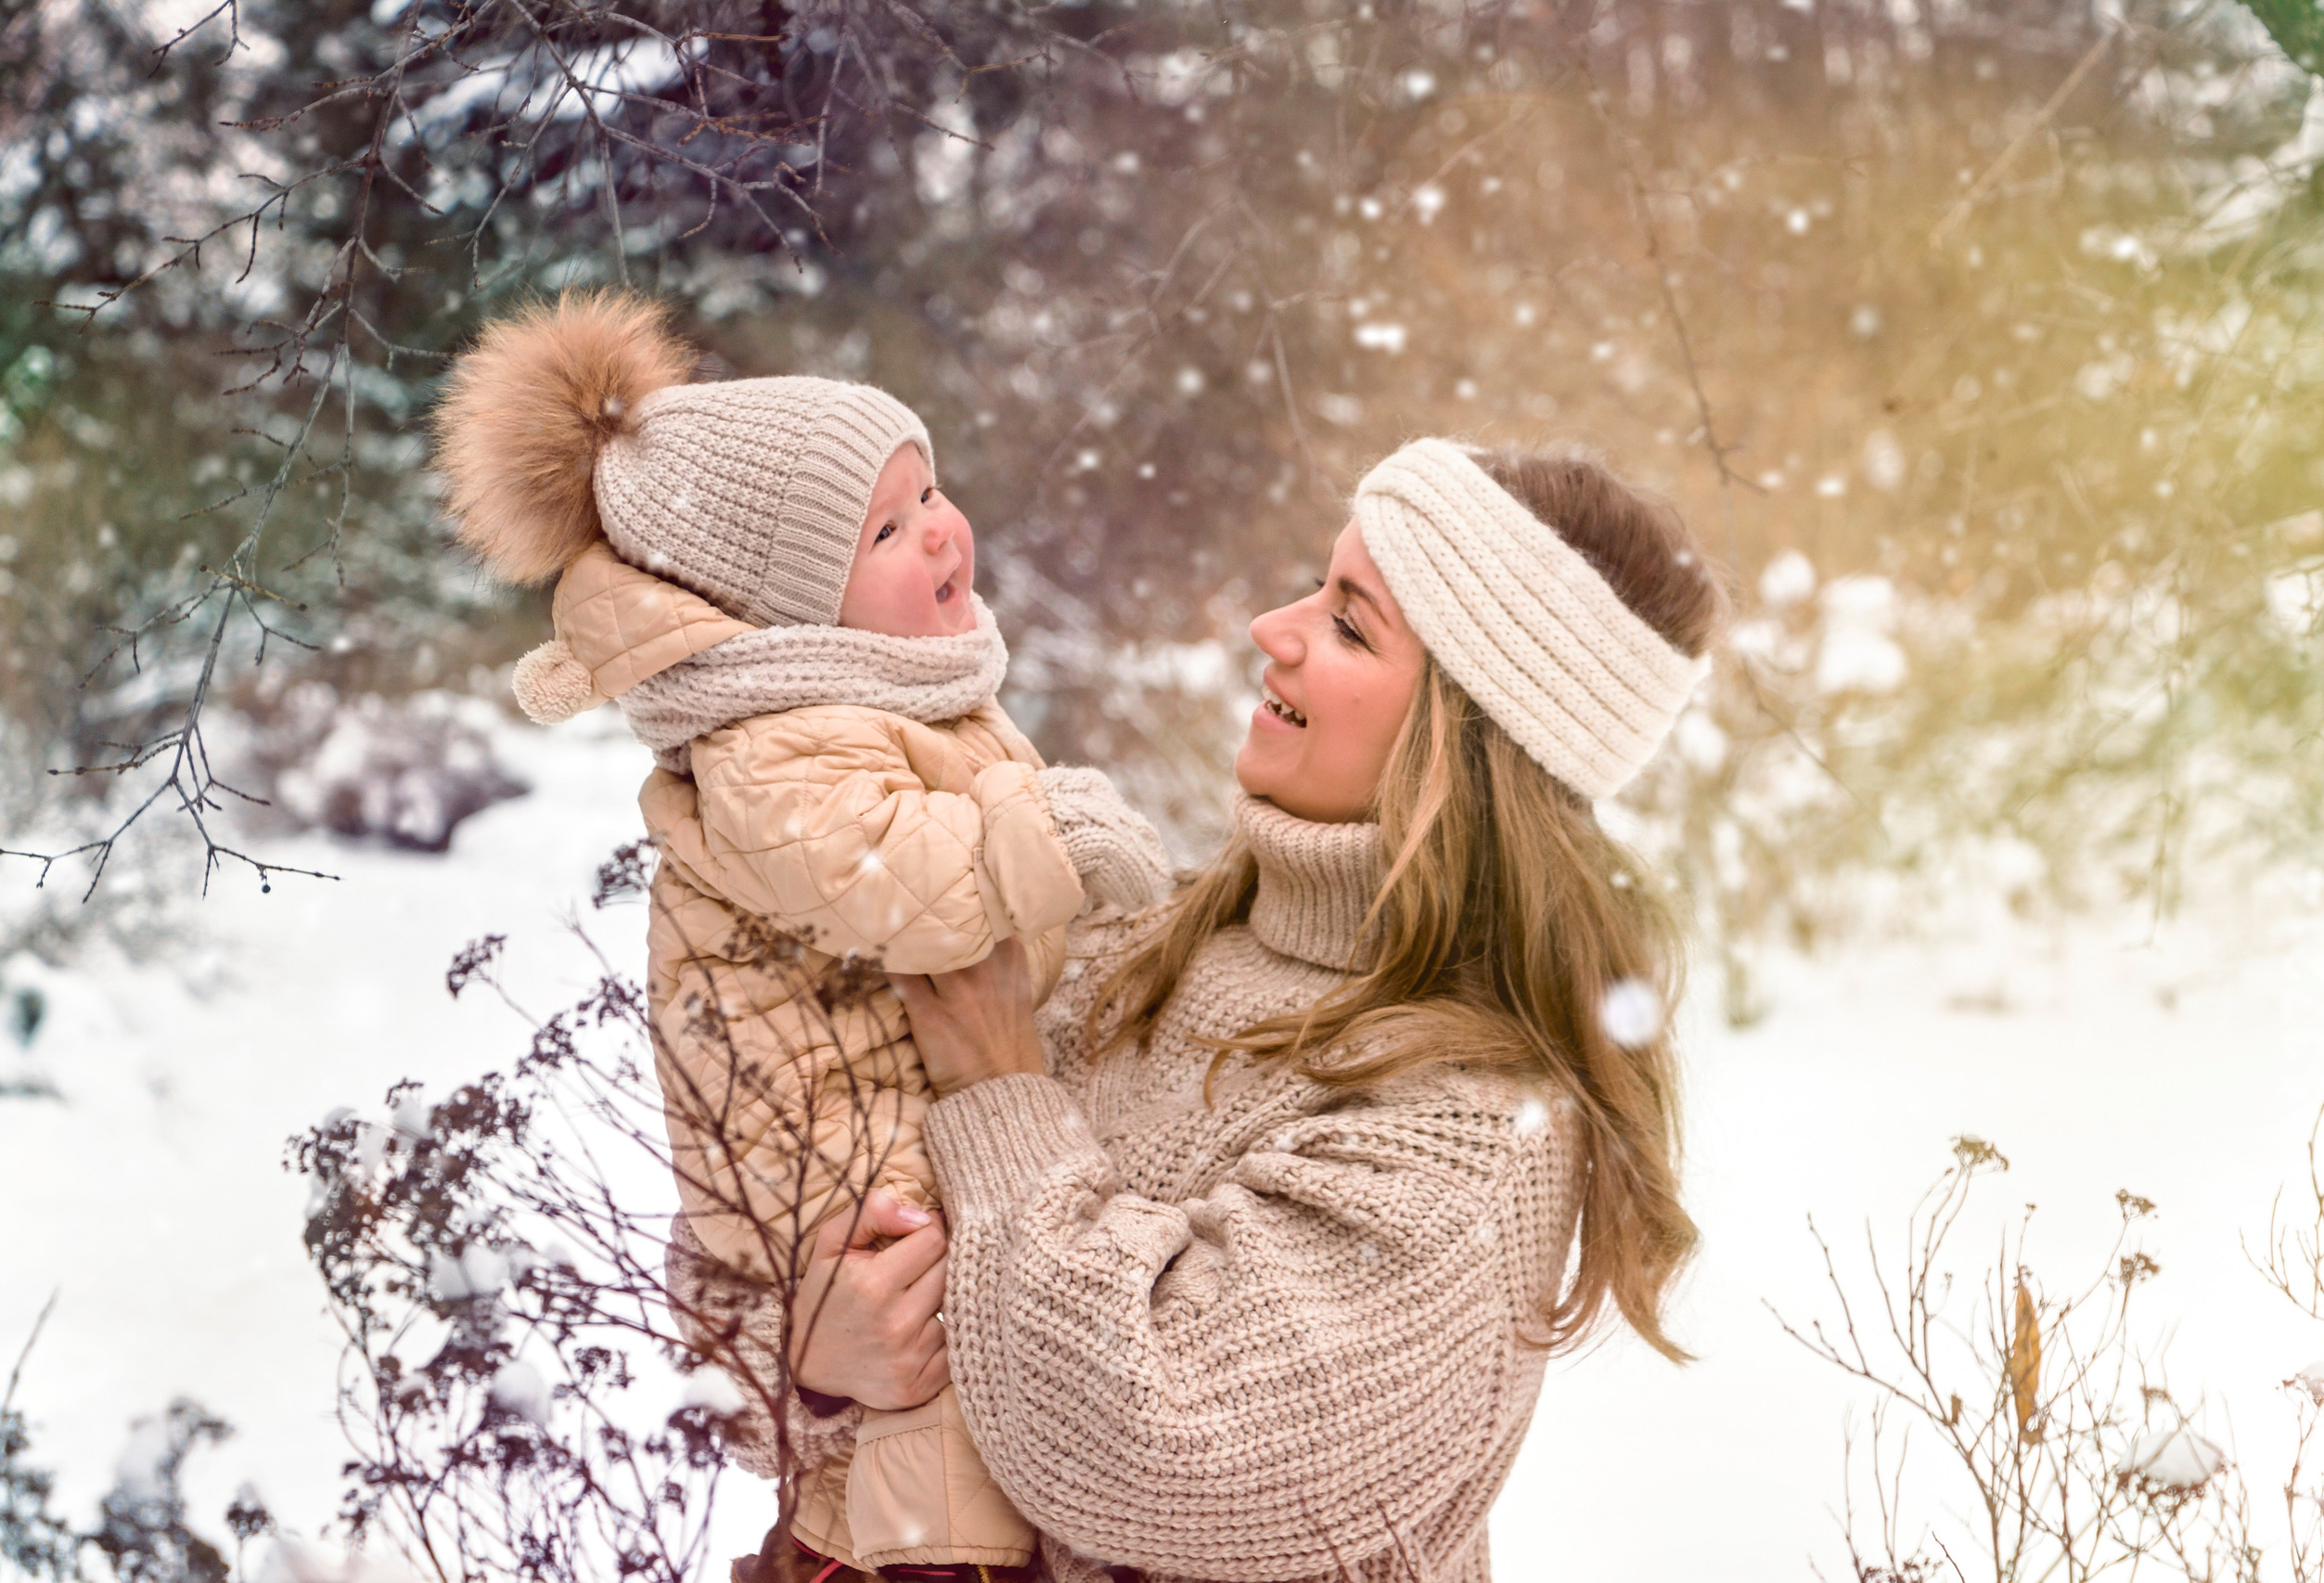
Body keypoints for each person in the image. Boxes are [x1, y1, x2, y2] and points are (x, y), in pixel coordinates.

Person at [688, 436, 1728, 1583]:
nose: (1272, 629)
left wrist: (1000, 1099)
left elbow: (1160, 1441)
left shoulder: (1473, 1131)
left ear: (1460, 742)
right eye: (1317, 587)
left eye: (1347, 623)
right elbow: (777, 1206)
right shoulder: (1127, 952)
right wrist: (808, 1345)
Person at [431, 290, 1170, 1581]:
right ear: (788, 607)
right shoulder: (779, 743)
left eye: (929, 490)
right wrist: (1052, 838)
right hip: (868, 1204)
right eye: (887, 528)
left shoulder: (879, 696)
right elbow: (896, 879)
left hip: (899, 1203)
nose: (941, 531)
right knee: (935, 1441)